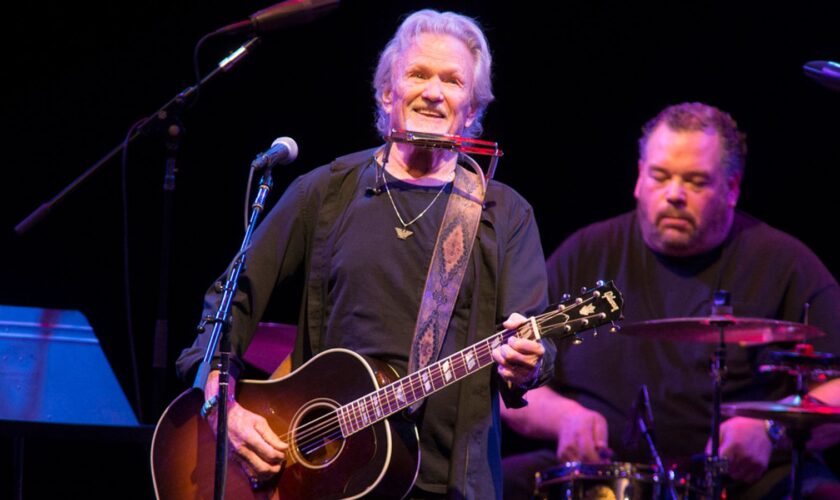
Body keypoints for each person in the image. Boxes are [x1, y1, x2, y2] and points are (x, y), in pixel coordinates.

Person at [176, 10, 555, 499]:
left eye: (453, 81)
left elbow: (535, 344)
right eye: (418, 74)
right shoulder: (326, 191)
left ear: (471, 109)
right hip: (312, 474)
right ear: (387, 92)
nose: (434, 92)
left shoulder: (503, 213)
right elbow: (231, 302)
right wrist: (219, 403)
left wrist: (528, 360)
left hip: (446, 485)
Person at [502, 102, 840, 498]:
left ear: (732, 189)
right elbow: (514, 375)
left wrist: (772, 430)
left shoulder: (785, 264)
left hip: (745, 482)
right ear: (638, 179)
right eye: (660, 176)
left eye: (696, 182)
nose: (675, 194)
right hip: (601, 479)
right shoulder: (586, 252)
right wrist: (563, 419)